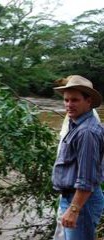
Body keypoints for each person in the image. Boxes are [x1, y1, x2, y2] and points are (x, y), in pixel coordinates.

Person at [52, 75, 104, 240]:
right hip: (73, 198)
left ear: (88, 101)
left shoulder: (86, 132)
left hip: (81, 202)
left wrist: (74, 210)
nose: (69, 105)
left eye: (75, 100)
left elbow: (87, 178)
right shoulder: (76, 124)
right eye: (66, 100)